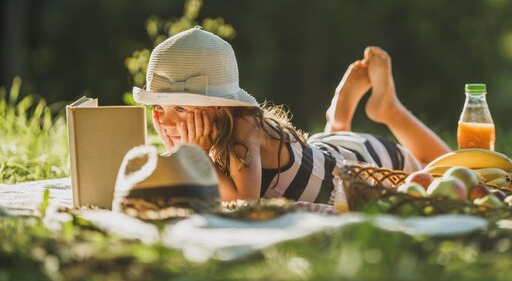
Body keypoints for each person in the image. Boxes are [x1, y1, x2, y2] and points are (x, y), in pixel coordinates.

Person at [133, 27, 451, 204]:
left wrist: (196, 157)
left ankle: (389, 109)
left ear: (218, 105)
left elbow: (243, 202)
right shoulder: (219, 131)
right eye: (160, 108)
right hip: (326, 154)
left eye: (182, 108)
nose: (168, 121)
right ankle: (338, 120)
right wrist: (183, 156)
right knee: (321, 156)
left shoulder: (242, 129)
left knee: (447, 168)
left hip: (362, 162)